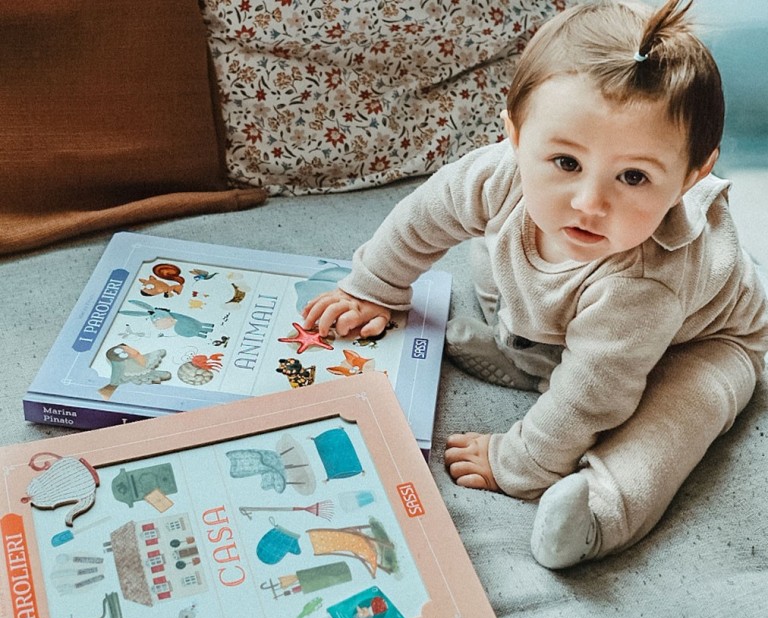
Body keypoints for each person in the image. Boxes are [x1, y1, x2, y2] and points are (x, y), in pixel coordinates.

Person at [302, 0, 768, 569]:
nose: (590, 202)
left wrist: (521, 462)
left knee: (679, 417)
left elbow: (592, 397)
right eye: (566, 163)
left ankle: (598, 516)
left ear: (691, 177)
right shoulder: (497, 173)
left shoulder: (646, 281)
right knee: (494, 248)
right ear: (516, 136)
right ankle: (531, 354)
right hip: (586, 324)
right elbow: (425, 217)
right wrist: (374, 288)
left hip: (707, 341)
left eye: (633, 177)